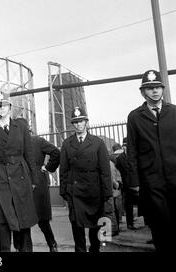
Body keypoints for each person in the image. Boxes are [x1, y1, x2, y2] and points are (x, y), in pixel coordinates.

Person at [127, 70, 176, 252]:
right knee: (160, 228)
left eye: (157, 87)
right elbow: (132, 151)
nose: (154, 91)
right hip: (152, 183)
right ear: (143, 92)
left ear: (163, 89)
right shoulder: (134, 117)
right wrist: (134, 182)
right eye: (150, 88)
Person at [0, 91, 38, 252]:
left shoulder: (21, 128)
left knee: (24, 222)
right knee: (3, 225)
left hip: (21, 178)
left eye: (4, 105)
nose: (1, 109)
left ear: (10, 107)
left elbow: (29, 154)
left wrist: (33, 179)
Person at [59, 107, 112, 252]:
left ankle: (94, 249)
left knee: (95, 225)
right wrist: (64, 190)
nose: (78, 125)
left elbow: (105, 170)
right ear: (72, 124)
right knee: (77, 225)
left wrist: (107, 192)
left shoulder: (97, 143)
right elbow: (63, 169)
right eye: (75, 122)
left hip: (94, 190)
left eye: (81, 121)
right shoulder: (67, 143)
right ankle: (80, 249)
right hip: (75, 191)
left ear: (86, 122)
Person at [28, 133, 61, 252]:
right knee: (42, 220)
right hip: (37, 180)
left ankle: (23, 248)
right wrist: (47, 168)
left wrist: (47, 167)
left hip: (26, 180)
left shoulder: (15, 141)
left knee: (24, 220)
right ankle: (52, 245)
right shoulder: (38, 141)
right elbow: (56, 152)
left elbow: (56, 153)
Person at [114, 138, 139, 230]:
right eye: (124, 146)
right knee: (129, 205)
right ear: (123, 147)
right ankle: (130, 224)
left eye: (127, 146)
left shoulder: (135, 156)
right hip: (126, 185)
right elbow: (118, 171)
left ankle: (148, 223)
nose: (126, 147)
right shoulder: (120, 158)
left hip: (137, 184)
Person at [109, 160, 122, 236]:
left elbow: (111, 177)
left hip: (112, 189)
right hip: (114, 189)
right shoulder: (111, 163)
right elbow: (117, 174)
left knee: (112, 209)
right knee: (114, 209)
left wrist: (116, 184)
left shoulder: (107, 163)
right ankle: (116, 228)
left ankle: (114, 229)